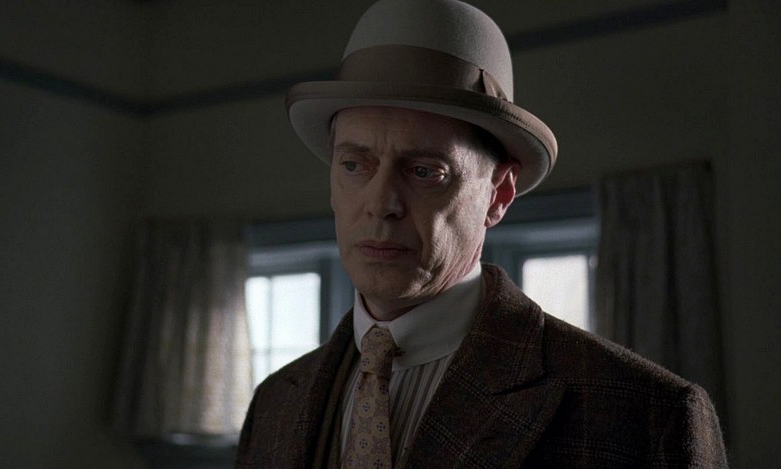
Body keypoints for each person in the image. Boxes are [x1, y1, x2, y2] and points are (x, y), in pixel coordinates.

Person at [236, 0, 727, 467]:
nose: (381, 204)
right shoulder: (275, 404)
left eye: (424, 171)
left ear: (498, 194)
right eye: (353, 165)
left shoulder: (646, 416)